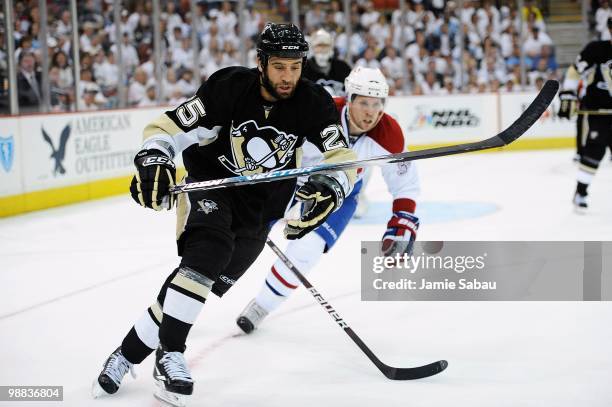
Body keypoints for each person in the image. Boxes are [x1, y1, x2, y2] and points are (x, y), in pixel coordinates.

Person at [92, 23, 357, 407]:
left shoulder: (313, 101)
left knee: (192, 285)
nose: (288, 76)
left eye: (295, 67)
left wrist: (334, 185)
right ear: (261, 62)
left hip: (260, 212)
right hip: (212, 186)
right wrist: (155, 155)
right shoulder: (229, 86)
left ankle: (126, 355)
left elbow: (341, 158)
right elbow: (168, 126)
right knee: (207, 253)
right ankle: (171, 355)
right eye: (280, 66)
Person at [235, 67, 420, 334]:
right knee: (238, 234)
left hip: (341, 196)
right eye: (365, 103)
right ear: (350, 99)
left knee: (306, 251)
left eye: (377, 104)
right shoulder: (322, 111)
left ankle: (261, 306)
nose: (371, 112)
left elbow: (406, 184)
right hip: (293, 179)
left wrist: (402, 222)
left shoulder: (388, 133)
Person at [558, 17, 612, 211]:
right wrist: (568, 96)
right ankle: (581, 192)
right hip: (599, 112)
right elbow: (574, 72)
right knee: (594, 152)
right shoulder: (596, 50)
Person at [303, 28, 352, 97]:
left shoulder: (342, 67)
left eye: (325, 46)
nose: (322, 49)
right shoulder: (305, 68)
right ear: (312, 47)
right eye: (319, 46)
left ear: (331, 47)